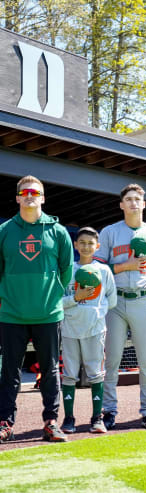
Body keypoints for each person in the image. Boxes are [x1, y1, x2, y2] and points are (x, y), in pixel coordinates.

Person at [0, 176, 74, 443]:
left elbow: (66, 271)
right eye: (25, 192)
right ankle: (5, 423)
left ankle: (51, 423)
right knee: (9, 371)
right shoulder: (5, 231)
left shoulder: (59, 232)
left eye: (35, 192)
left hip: (48, 313)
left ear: (43, 198)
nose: (30, 195)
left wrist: (53, 293)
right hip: (11, 313)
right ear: (18, 198)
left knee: (51, 370)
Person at [96, 183, 146, 430]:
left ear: (144, 204)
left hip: (142, 299)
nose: (133, 203)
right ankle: (108, 411)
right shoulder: (109, 232)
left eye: (137, 199)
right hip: (115, 300)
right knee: (112, 360)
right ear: (121, 204)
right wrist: (124, 267)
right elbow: (97, 269)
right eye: (128, 199)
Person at [61, 227, 117, 435]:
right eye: (82, 242)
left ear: (97, 246)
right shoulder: (68, 270)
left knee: (96, 374)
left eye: (90, 243)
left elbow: (111, 301)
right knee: (69, 375)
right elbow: (58, 302)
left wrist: (94, 312)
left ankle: (96, 418)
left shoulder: (104, 271)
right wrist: (76, 298)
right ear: (75, 245)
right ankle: (68, 419)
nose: (86, 246)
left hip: (94, 329)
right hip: (69, 329)